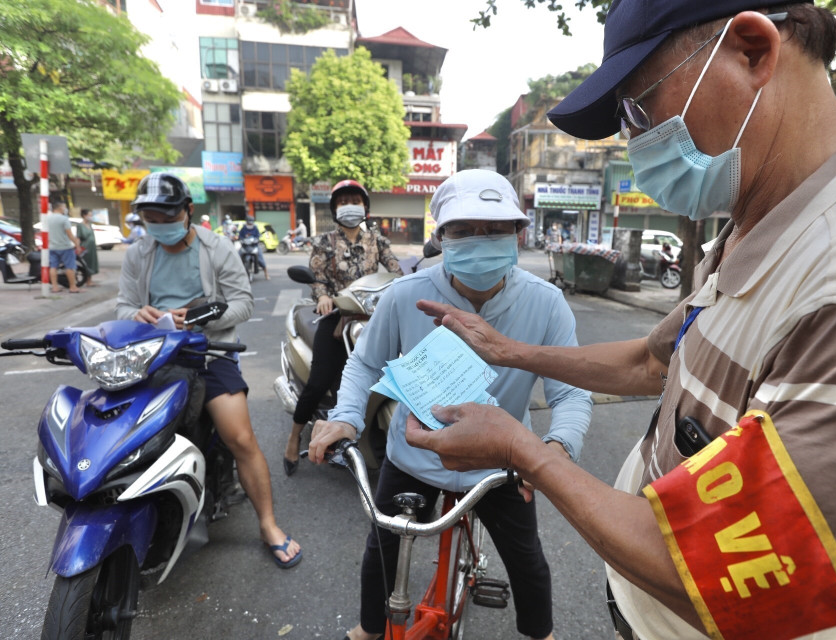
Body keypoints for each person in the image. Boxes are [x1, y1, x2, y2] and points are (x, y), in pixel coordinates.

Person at [405, 3, 836, 640]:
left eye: (640, 109)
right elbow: (654, 361)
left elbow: (740, 577)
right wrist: (511, 354)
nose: (634, 141)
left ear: (751, 50)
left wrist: (520, 449)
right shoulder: (758, 228)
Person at [308, 170, 593, 640]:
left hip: (501, 466)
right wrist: (344, 418)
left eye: (495, 228)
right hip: (414, 456)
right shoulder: (404, 296)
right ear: (440, 237)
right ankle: (367, 629)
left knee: (529, 564)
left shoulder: (547, 304)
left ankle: (541, 634)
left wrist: (557, 449)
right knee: (381, 552)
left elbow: (572, 390)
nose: (479, 240)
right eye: (462, 230)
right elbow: (363, 365)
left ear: (518, 234)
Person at [116, 172, 302, 569]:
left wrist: (200, 319)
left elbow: (243, 304)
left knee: (240, 437)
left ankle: (268, 524)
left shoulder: (217, 248)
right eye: (150, 217)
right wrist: (137, 313)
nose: (159, 225)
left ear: (187, 212)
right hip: (153, 355)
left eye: (166, 216)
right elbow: (121, 307)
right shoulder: (138, 253)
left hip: (210, 353)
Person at [282, 179, 402, 474]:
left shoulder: (378, 240)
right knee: (319, 382)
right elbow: (317, 277)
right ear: (335, 209)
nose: (350, 206)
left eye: (355, 200)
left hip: (371, 317)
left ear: (365, 207)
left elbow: (396, 271)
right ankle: (295, 436)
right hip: (336, 316)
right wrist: (323, 296)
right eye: (343, 201)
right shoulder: (324, 242)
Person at [47, 199, 82, 294]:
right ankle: (73, 287)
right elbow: (69, 234)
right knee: (69, 267)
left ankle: (54, 287)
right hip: (65, 247)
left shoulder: (47, 218)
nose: (65, 209)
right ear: (60, 207)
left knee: (53, 267)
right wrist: (76, 243)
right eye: (64, 207)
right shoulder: (64, 219)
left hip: (52, 247)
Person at [237, 215, 270, 280]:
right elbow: (240, 236)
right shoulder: (243, 229)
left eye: (251, 222)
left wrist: (257, 239)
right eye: (249, 222)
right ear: (246, 222)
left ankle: (266, 274)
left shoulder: (255, 228)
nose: (250, 224)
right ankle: (235, 274)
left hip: (254, 246)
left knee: (260, 259)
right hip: (245, 247)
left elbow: (258, 236)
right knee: (237, 257)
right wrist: (240, 239)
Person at [76, 209, 99, 287]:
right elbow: (78, 237)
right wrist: (78, 247)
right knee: (87, 263)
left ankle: (90, 280)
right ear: (84, 215)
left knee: (92, 262)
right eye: (89, 215)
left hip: (92, 247)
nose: (91, 217)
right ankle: (87, 281)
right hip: (85, 247)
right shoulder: (80, 225)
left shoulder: (90, 224)